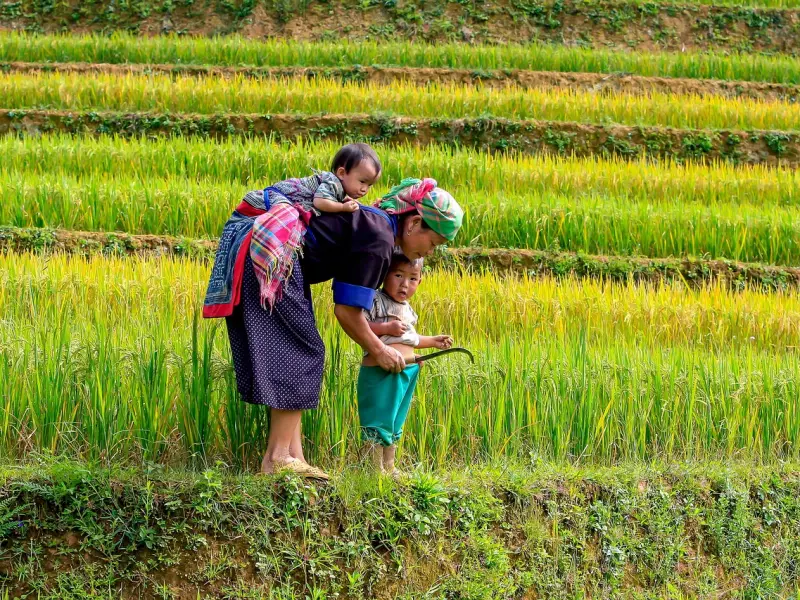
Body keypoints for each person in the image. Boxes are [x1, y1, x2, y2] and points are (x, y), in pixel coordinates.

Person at [203, 174, 463, 480]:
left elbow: (348, 306)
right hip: (275, 254)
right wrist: (378, 349)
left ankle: (291, 456)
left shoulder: (375, 228)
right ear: (414, 223)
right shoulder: (379, 239)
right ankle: (278, 457)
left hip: (266, 252)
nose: (430, 251)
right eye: (433, 242)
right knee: (303, 351)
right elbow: (347, 312)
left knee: (293, 350)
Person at [359, 252, 453, 476]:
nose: (404, 284)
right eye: (398, 275)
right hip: (381, 370)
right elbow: (359, 325)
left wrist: (433, 341)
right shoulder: (376, 300)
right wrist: (385, 328)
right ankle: (373, 469)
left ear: (420, 281)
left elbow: (412, 339)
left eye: (412, 279)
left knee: (395, 420)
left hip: (407, 370)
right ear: (385, 274)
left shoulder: (408, 310)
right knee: (379, 418)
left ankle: (389, 466)